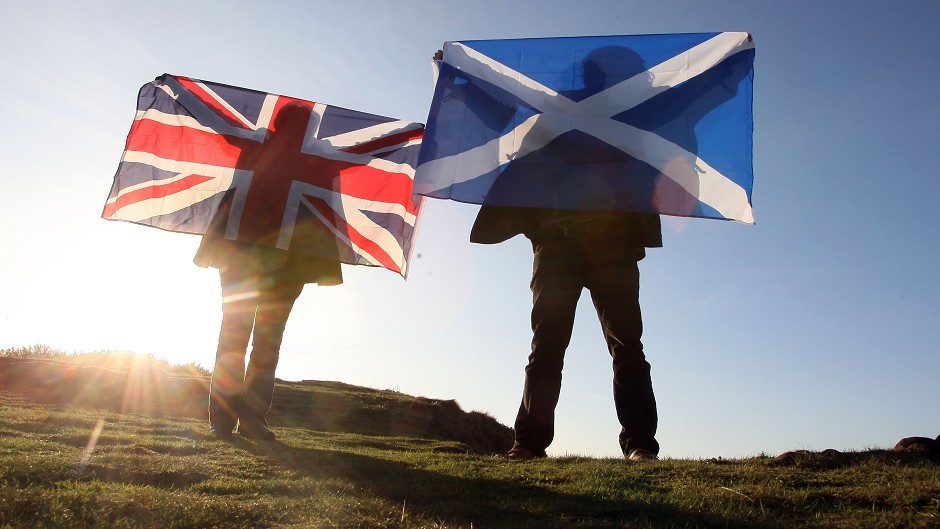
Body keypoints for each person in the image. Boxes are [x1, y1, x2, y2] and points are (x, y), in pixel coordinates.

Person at [451, 46, 666, 461]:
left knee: (624, 346)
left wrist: (724, 63)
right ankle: (530, 443)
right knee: (551, 346)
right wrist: (460, 78)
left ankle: (639, 444)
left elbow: (681, 109)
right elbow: (504, 118)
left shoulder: (630, 114)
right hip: (558, 245)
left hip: (612, 246)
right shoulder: (555, 110)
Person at [196, 103, 342, 440]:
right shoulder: (292, 152)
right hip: (255, 258)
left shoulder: (300, 154)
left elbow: (215, 122)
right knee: (258, 340)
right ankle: (238, 419)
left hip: (268, 259)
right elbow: (367, 154)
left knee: (246, 338)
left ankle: (236, 419)